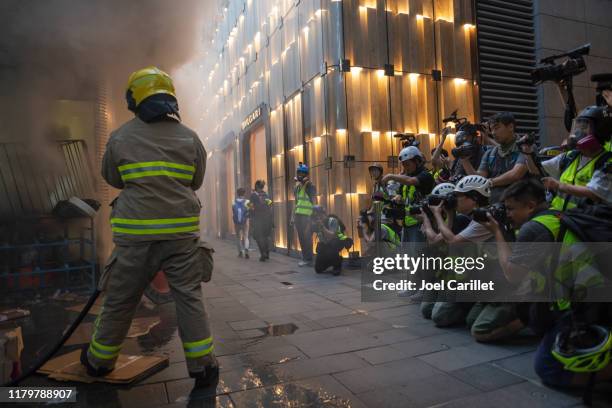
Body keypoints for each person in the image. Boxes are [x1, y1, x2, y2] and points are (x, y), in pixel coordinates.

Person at [81, 66, 217, 386]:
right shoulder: (191, 138)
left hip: (135, 237)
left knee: (120, 299)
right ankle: (202, 366)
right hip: (181, 238)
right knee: (189, 298)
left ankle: (100, 361)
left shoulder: (120, 138)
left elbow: (113, 179)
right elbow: (196, 182)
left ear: (135, 99)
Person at [477, 178, 611, 393]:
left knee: (548, 368)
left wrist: (497, 233)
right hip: (593, 294)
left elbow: (513, 274)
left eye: (511, 209)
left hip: (582, 304)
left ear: (530, 205)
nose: (507, 214)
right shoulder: (555, 215)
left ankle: (604, 372)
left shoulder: (533, 228)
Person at [522, 106, 612, 209]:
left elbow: (594, 193)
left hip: (586, 219)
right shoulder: (570, 156)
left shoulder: (607, 162)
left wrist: (559, 185)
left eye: (584, 128)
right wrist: (527, 151)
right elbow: (535, 169)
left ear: (600, 131)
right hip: (558, 214)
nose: (578, 132)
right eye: (577, 127)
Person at [463, 112, 529, 203]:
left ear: (510, 127)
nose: (493, 132)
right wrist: (464, 160)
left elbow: (515, 174)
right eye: (492, 129)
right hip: (495, 207)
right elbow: (478, 179)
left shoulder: (526, 147)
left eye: (497, 128)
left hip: (522, 207)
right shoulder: (490, 153)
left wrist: (490, 182)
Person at [382, 146, 435, 244]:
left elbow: (411, 181)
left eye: (407, 164)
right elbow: (405, 197)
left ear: (417, 161)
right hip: (406, 223)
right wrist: (399, 198)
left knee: (418, 257)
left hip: (421, 224)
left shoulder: (425, 175)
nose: (405, 168)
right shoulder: (406, 178)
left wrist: (390, 176)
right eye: (403, 165)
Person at [312, 206, 353, 275]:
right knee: (318, 269)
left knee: (332, 244)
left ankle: (337, 265)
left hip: (338, 241)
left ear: (323, 214)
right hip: (327, 243)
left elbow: (332, 236)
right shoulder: (317, 224)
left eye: (319, 216)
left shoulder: (332, 221)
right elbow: (322, 240)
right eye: (316, 217)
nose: (318, 218)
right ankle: (331, 261)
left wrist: (322, 227)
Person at [291, 163, 316, 267]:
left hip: (307, 216)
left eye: (302, 173)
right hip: (298, 216)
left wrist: (313, 217)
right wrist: (292, 217)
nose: (300, 175)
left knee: (307, 238)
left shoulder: (310, 186)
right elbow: (296, 203)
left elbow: (314, 201)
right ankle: (305, 258)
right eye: (299, 173)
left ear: (306, 174)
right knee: (302, 238)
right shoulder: (297, 188)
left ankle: (308, 259)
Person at [249, 180, 273, 262]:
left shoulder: (253, 195)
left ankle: (263, 253)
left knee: (258, 237)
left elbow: (251, 207)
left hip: (257, 219)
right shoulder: (266, 195)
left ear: (256, 187)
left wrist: (251, 215)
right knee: (266, 236)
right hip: (267, 219)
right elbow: (270, 205)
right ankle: (267, 253)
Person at [232, 187, 250, 258]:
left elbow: (233, 211)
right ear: (244, 193)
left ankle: (240, 252)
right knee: (246, 236)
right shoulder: (247, 201)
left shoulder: (233, 202)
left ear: (237, 193)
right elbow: (252, 209)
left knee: (238, 237)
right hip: (245, 221)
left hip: (237, 223)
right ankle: (246, 251)